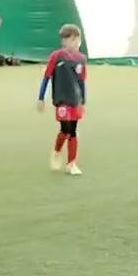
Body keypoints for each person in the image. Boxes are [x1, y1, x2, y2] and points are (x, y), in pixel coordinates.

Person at [36, 23, 88, 175]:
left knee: (73, 130)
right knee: (66, 129)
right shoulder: (56, 56)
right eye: (68, 40)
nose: (72, 43)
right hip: (61, 99)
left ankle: (71, 164)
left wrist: (83, 102)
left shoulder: (81, 59)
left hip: (75, 100)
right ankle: (57, 151)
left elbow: (82, 81)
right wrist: (41, 98)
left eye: (74, 39)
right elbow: (46, 77)